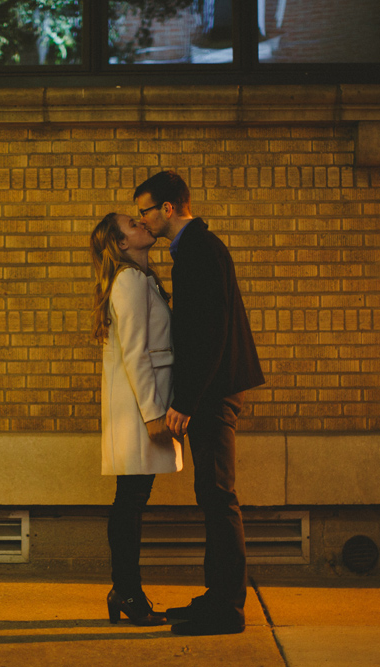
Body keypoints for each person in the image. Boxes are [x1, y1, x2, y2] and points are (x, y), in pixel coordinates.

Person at [134, 170, 265, 636]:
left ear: (168, 208)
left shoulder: (197, 251)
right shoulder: (195, 249)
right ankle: (218, 596)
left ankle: (228, 607)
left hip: (213, 393)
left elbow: (206, 333)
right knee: (212, 495)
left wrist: (185, 400)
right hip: (214, 389)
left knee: (218, 495)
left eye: (145, 211)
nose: (142, 220)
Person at [90, 212, 183, 627]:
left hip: (142, 406)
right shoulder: (128, 281)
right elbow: (135, 353)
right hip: (138, 410)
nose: (141, 223)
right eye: (131, 223)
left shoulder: (144, 279)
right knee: (129, 502)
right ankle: (126, 591)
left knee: (131, 500)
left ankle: (124, 590)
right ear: (121, 244)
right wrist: (153, 415)